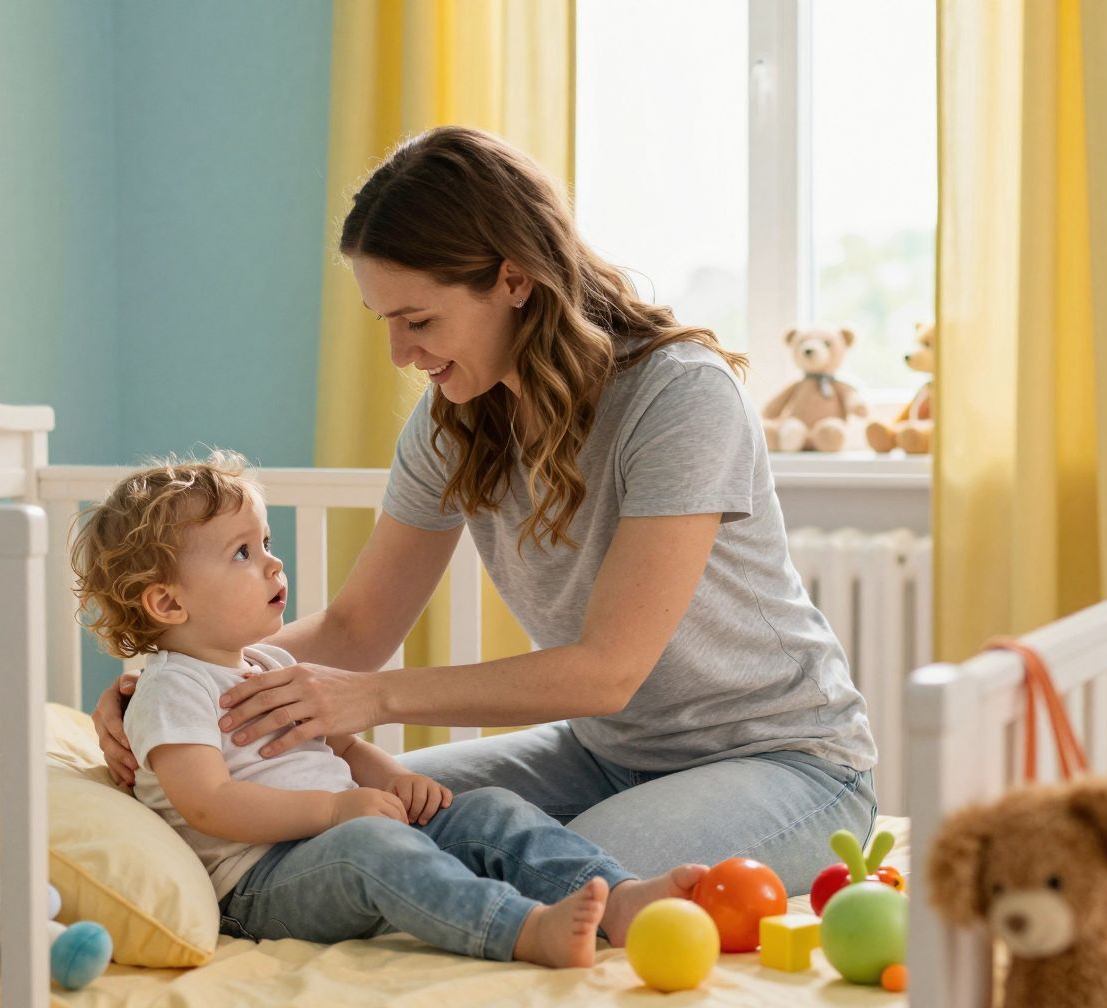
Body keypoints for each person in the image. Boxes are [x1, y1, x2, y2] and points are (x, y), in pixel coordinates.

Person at [94, 126, 876, 891]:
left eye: (419, 321)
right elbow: (356, 630)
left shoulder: (679, 396)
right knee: (375, 823)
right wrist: (174, 678)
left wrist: (375, 697)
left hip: (782, 759)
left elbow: (608, 672)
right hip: (602, 752)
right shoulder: (452, 420)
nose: (401, 354)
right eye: (386, 322)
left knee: (574, 880)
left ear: (514, 280)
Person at [71, 454, 704, 968]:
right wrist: (332, 810)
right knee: (373, 848)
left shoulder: (266, 663)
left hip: (338, 835)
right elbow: (208, 804)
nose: (273, 562)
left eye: (265, 542)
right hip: (263, 880)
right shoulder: (171, 690)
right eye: (242, 553)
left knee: (486, 809)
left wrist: (395, 779)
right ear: (168, 603)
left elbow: (343, 747)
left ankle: (619, 897)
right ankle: (521, 929)